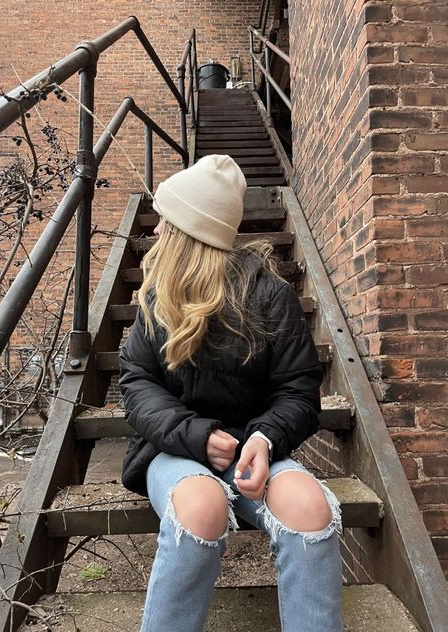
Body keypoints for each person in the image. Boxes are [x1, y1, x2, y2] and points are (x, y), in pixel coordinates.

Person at [118, 154, 343, 632]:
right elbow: (137, 383)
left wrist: (263, 439)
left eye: (167, 222)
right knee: (202, 506)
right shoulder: (157, 298)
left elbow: (298, 390)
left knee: (309, 504)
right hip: (173, 451)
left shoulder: (271, 296)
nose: (157, 232)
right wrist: (195, 436)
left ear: (190, 234)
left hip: (255, 451)